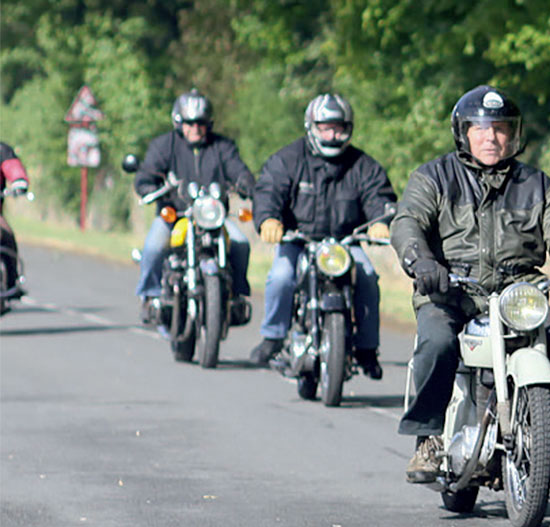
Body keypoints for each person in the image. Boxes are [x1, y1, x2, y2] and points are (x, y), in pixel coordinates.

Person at [390, 84, 550, 483]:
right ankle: (427, 438)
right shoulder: (434, 177)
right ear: (463, 133)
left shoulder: (539, 185)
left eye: (500, 129)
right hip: (452, 289)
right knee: (437, 343)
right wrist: (422, 261)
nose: (491, 138)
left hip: (519, 293)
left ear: (513, 134)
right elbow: (407, 223)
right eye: (481, 129)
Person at [249, 93, 397, 378]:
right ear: (311, 127)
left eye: (339, 127)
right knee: (281, 277)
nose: (332, 133)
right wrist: (268, 218)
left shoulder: (362, 165)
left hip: (343, 243)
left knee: (366, 276)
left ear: (348, 128)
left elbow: (378, 195)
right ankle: (273, 338)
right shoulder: (288, 159)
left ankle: (367, 349)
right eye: (325, 127)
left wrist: (380, 221)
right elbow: (268, 189)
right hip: (299, 241)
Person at [134, 89, 254, 322]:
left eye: (200, 123)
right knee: (153, 247)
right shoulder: (164, 145)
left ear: (209, 123)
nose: (195, 128)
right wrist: (148, 188)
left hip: (214, 216)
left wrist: (247, 185)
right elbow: (146, 174)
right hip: (176, 215)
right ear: (179, 122)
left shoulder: (222, 147)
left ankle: (236, 296)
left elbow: (239, 171)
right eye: (190, 123)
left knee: (240, 243)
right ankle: (150, 297)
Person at [1, 141, 30, 302]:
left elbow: (12, 166)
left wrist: (19, 181)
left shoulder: (1, 150)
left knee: (7, 235)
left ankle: (12, 281)